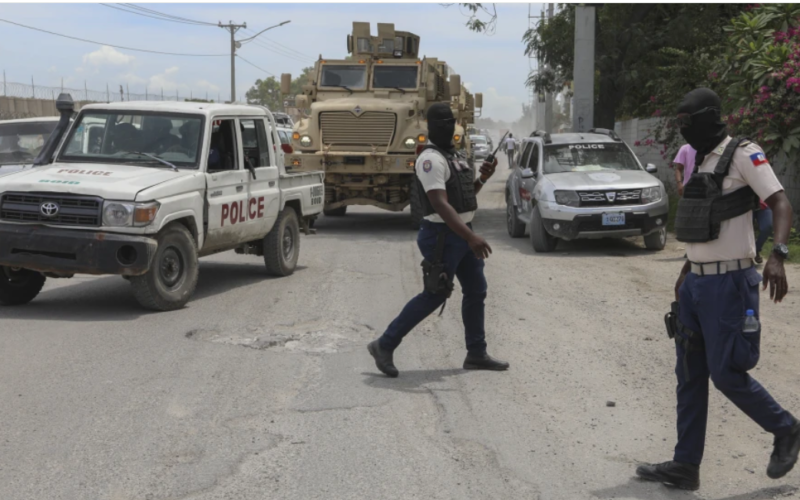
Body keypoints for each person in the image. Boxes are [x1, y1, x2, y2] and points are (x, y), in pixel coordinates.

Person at [636, 88, 797, 491]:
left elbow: (780, 202)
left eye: (689, 123)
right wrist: (688, 269)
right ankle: (685, 465)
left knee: (727, 374)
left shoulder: (744, 153)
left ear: (709, 118)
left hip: (730, 284)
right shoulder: (699, 159)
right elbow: (704, 221)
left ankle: (787, 429)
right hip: (696, 283)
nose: (685, 131)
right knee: (689, 374)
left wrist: (777, 253)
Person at [367, 103, 509, 378]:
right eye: (441, 123)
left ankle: (476, 353)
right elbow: (440, 205)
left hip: (461, 233)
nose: (447, 127)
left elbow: (464, 197)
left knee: (476, 290)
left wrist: (482, 178)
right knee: (435, 294)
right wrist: (471, 237)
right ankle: (384, 345)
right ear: (430, 127)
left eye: (450, 121)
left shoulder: (455, 156)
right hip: (442, 236)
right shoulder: (429, 159)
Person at [754, 199, 774, 264]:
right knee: (745, 229)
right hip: (746, 203)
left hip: (764, 202)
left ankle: (756, 249)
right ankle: (747, 254)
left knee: (767, 227)